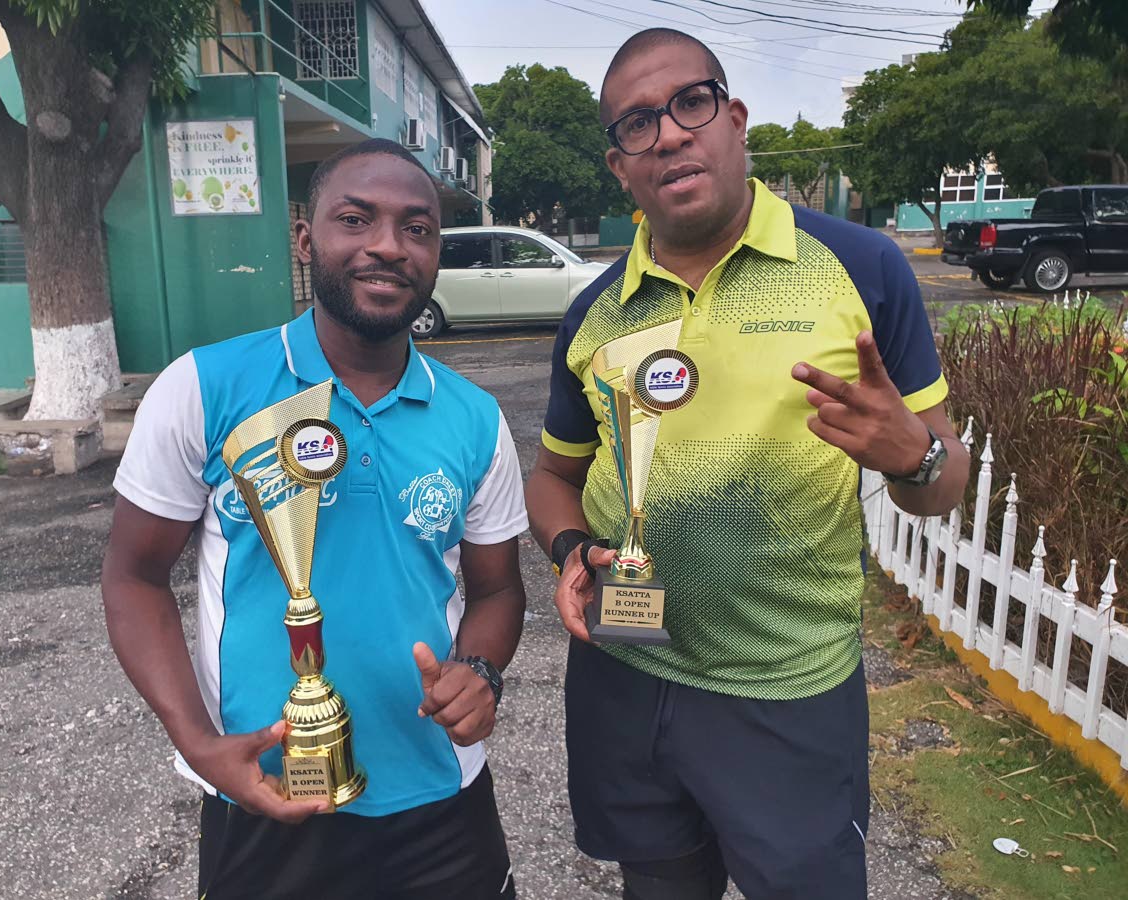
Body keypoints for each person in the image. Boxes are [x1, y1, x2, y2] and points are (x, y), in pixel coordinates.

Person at [525, 29, 969, 900]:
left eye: (690, 104)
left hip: (787, 692)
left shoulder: (862, 268)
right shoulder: (595, 313)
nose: (669, 134)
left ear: (733, 119)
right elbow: (553, 477)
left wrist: (913, 458)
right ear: (620, 167)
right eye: (637, 124)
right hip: (627, 673)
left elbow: (944, 481)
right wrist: (571, 549)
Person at [102, 138, 526, 900]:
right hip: (263, 793)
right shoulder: (204, 387)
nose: (388, 246)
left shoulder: (475, 419)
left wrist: (479, 671)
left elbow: (497, 590)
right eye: (355, 220)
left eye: (417, 228)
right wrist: (198, 745)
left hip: (440, 798)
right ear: (305, 238)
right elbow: (133, 577)